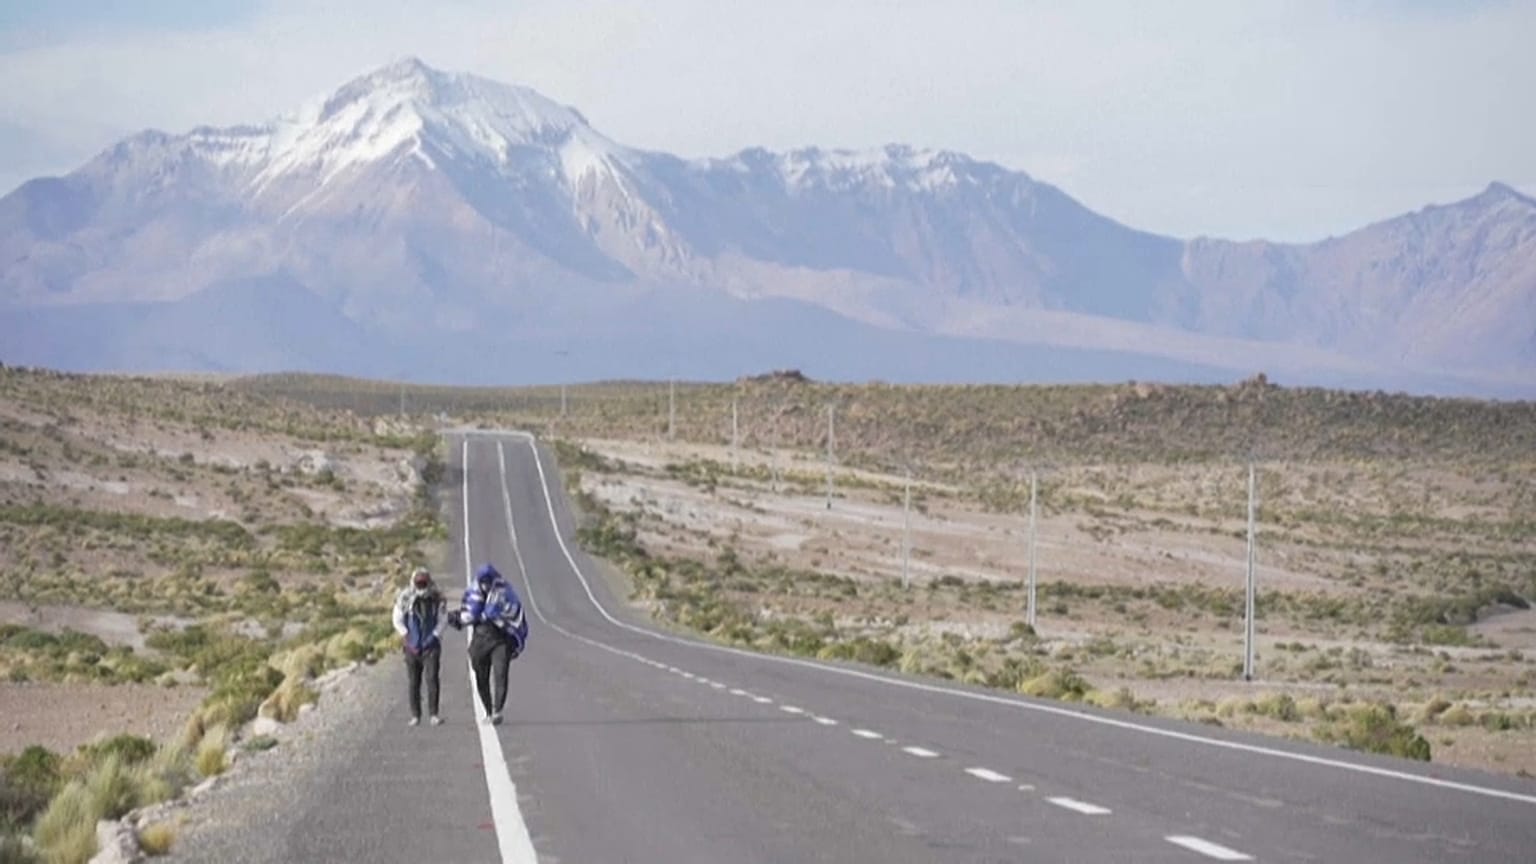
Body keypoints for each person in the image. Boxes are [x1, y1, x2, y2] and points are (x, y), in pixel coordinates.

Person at [455, 564, 528, 725]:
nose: (486, 584)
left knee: (500, 673)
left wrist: (501, 621)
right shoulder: (473, 592)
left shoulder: (504, 591)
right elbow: (467, 613)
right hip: (480, 639)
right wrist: (459, 619)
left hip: (500, 639)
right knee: (481, 675)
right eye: (483, 581)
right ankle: (488, 710)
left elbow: (513, 610)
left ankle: (498, 711)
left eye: (489, 581)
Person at [392, 566, 447, 727]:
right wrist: (406, 636)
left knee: (432, 679)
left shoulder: (437, 598)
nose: (422, 587)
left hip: (431, 646)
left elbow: (443, 619)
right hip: (411, 647)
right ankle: (415, 715)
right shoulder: (404, 598)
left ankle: (433, 714)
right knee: (413, 682)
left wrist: (434, 636)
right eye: (419, 584)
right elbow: (397, 619)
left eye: (424, 583)